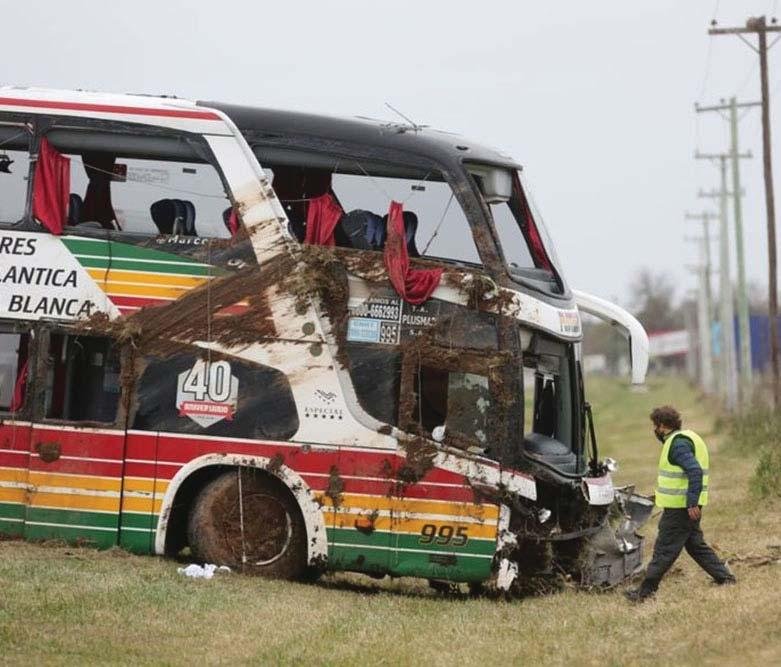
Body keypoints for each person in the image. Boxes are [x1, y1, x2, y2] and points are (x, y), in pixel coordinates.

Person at [625, 405, 736, 602]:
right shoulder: (686, 437)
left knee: (664, 548)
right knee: (695, 544)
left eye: (655, 426)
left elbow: (694, 471)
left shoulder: (677, 445)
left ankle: (645, 593)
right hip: (685, 505)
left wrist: (692, 502)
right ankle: (725, 578)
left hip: (682, 507)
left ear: (662, 426)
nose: (655, 431)